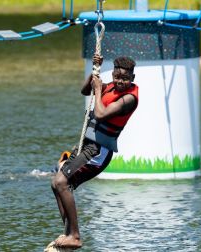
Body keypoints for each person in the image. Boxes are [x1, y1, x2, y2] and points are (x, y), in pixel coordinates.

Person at [50, 55, 139, 249]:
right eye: (117, 77)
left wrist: (98, 90)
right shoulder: (109, 87)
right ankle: (68, 234)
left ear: (132, 77)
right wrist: (94, 73)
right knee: (57, 184)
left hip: (99, 151)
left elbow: (100, 113)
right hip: (86, 146)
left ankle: (75, 236)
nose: (120, 82)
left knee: (61, 181)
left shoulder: (129, 98)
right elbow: (84, 91)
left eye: (125, 78)